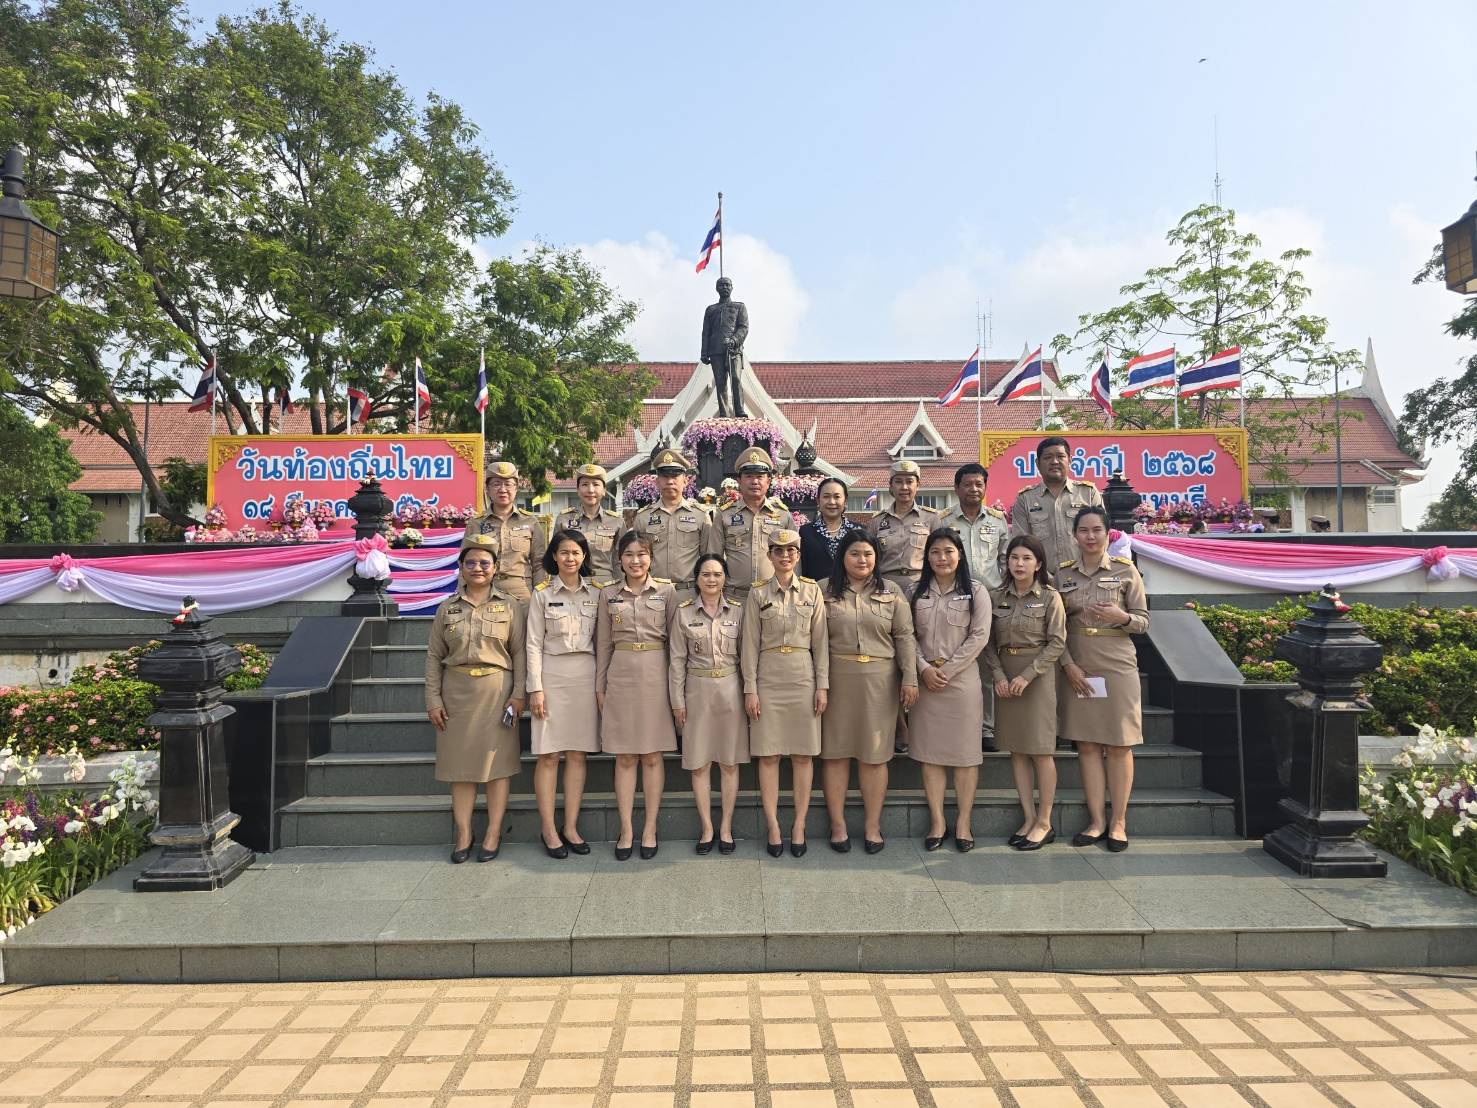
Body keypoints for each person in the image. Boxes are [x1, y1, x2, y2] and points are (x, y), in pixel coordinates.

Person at [425, 545, 527, 864]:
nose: (478, 568)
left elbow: (521, 652)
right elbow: (433, 656)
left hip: (497, 692)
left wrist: (519, 694)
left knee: (498, 769)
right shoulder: (447, 608)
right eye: (471, 562)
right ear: (461, 567)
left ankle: (494, 833)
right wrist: (433, 698)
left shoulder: (509, 606)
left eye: (485, 562)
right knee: (461, 770)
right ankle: (464, 834)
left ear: (496, 567)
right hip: (456, 691)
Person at [1057, 506, 1150, 853]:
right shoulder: (1063, 576)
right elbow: (1055, 629)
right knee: (1087, 745)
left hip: (1117, 665)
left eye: (1097, 530)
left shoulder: (1126, 572)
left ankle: (1119, 822)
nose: (1090, 536)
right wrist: (1068, 665)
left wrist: (1122, 616)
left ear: (1107, 533)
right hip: (1079, 664)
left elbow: (1144, 621)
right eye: (1083, 530)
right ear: (1075, 535)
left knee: (1120, 743)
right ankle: (1096, 821)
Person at [820, 530, 918, 854]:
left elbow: (904, 636)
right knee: (835, 755)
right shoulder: (823, 590)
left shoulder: (891, 592)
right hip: (837, 678)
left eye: (868, 554)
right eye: (855, 554)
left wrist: (910, 678)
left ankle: (872, 826)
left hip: (880, 680)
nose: (862, 560)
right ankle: (838, 826)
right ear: (842, 557)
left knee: (875, 757)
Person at [741, 529, 828, 858]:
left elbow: (820, 642)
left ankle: (800, 825)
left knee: (804, 755)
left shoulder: (811, 591)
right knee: (769, 755)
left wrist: (823, 685)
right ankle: (774, 825)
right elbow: (749, 644)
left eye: (791, 550)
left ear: (798, 554)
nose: (785, 556)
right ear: (770, 555)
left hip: (803, 676)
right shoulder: (758, 594)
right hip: (768, 676)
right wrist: (750, 688)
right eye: (779, 550)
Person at [595, 531, 679, 860]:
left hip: (657, 673)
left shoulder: (667, 592)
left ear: (651, 558)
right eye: (629, 554)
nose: (635, 560)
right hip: (622, 672)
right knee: (626, 755)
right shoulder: (608, 594)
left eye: (642, 554)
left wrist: (676, 690)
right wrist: (600, 686)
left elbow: (676, 645)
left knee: (653, 756)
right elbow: (602, 643)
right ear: (620, 559)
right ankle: (627, 828)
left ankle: (650, 828)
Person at [909, 528, 991, 852]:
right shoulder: (916, 592)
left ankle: (963, 823)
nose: (942, 558)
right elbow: (906, 635)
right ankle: (938, 821)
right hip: (927, 681)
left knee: (965, 756)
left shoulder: (976, 591)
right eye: (935, 552)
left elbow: (980, 636)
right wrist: (924, 669)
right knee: (930, 756)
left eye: (948, 551)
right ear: (927, 557)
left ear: (960, 555)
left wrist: (947, 670)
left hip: (961, 682)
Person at [983, 535, 1067, 851]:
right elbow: (988, 643)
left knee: (1041, 751)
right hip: (1006, 678)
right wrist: (1000, 676)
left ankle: (1045, 822)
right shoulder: (996, 597)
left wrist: (1027, 676)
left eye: (1026, 559)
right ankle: (1028, 817)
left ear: (1039, 564)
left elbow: (1057, 643)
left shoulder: (1049, 597)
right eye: (1014, 558)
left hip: (1038, 677)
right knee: (1016, 751)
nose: (1019, 564)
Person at [526, 529, 602, 860]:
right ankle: (548, 828)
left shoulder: (597, 593)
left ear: (584, 557)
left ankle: (570, 826)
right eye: (564, 552)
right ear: (553, 557)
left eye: (576, 552)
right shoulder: (541, 594)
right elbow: (532, 643)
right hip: (552, 675)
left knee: (577, 754)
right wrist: (536, 688)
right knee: (548, 755)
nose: (570, 558)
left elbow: (603, 642)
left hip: (585, 676)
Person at [669, 553, 748, 854]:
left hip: (730, 690)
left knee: (729, 762)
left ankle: (726, 827)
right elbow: (676, 660)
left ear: (725, 578)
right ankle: (707, 828)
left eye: (717, 574)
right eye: (706, 574)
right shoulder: (684, 611)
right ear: (697, 578)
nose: (711, 579)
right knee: (699, 763)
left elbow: (747, 657)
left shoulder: (739, 612)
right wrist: (677, 701)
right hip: (697, 691)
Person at [865, 458, 941, 753]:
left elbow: (943, 556)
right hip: (887, 593)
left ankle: (925, 724)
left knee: (924, 654)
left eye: (910, 481)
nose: (904, 486)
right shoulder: (877, 521)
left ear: (918, 485)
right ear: (890, 486)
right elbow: (870, 562)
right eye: (899, 481)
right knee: (894, 656)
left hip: (922, 590)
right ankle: (899, 726)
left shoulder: (932, 519)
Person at [939, 462, 1009, 752]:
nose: (974, 489)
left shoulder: (997, 521)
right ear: (957, 488)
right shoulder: (943, 520)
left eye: (979, 484)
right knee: (951, 659)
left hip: (990, 601)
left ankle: (987, 728)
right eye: (967, 484)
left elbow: (1005, 561)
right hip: (953, 599)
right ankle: (955, 724)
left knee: (987, 664)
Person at [1009, 437, 1104, 580]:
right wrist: (1044, 577)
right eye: (1048, 457)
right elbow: (1021, 543)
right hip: (1042, 580)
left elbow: (1101, 535)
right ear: (1038, 464)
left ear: (1070, 460)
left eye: (1060, 456)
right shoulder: (1025, 499)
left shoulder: (1088, 493)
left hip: (1085, 578)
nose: (1054, 462)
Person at [630, 448, 712, 600]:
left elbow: (708, 557)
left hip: (688, 593)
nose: (670, 481)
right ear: (657, 481)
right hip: (652, 593)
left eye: (675, 476)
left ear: (685, 481)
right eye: (664, 476)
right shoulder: (643, 517)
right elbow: (636, 557)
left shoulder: (700, 515)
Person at [713, 446, 791, 603]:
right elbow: (714, 557)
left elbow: (795, 559)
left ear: (768, 481)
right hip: (735, 598)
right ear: (739, 481)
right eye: (748, 476)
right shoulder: (725, 515)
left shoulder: (783, 515)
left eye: (760, 476)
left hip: (773, 597)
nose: (754, 481)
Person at [462, 460, 547, 603]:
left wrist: (540, 596)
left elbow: (539, 563)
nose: (502, 489)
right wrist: (463, 594)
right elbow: (464, 563)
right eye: (496, 484)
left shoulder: (530, 522)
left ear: (516, 488)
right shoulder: (476, 523)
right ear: (487, 489)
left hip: (521, 591)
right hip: (485, 590)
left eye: (508, 484)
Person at [555, 463, 626, 578]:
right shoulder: (564, 519)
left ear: (604, 490)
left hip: (605, 584)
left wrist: (619, 588)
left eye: (596, 484)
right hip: (572, 582)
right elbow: (555, 557)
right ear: (578, 490)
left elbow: (620, 560)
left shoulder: (616, 521)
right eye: (585, 484)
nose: (590, 490)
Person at [799, 476, 862, 581]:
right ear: (818, 500)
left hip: (852, 593)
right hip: (816, 593)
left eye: (837, 497)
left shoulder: (858, 531)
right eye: (826, 497)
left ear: (845, 501)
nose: (832, 502)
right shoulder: (806, 532)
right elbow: (802, 569)